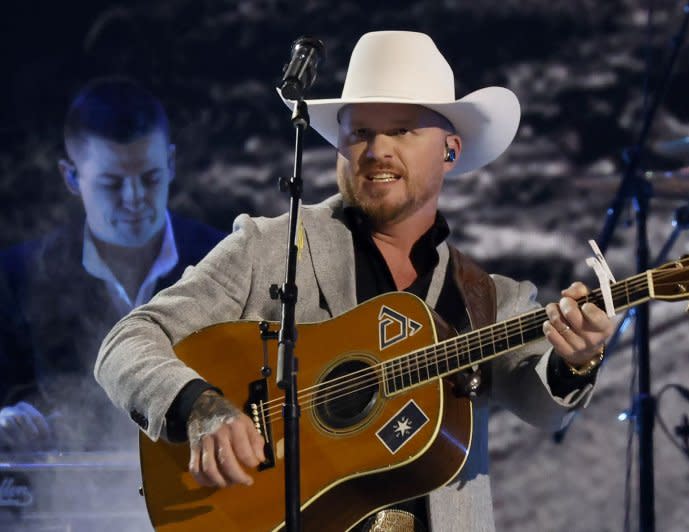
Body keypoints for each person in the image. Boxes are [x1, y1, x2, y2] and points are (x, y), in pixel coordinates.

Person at [94, 32, 614, 531]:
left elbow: (543, 406)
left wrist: (578, 358)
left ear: (450, 150)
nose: (376, 150)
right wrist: (199, 406)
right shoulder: (271, 247)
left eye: (402, 130)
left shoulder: (491, 297)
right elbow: (126, 343)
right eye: (360, 132)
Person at [0, 78, 225, 452]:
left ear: (170, 164)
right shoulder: (16, 278)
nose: (134, 199)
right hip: (63, 497)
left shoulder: (222, 260)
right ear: (71, 177)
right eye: (111, 183)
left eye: (150, 178)